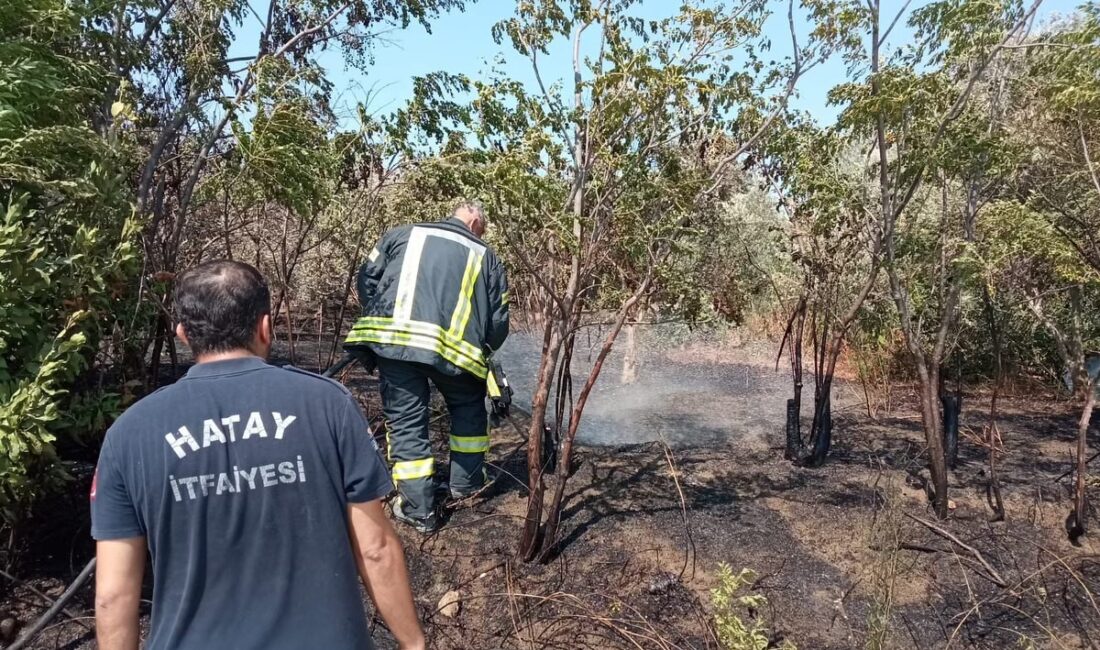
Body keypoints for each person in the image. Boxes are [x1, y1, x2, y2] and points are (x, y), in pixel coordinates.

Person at [91, 260, 425, 650]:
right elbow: (376, 549)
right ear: (266, 327)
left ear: (184, 335)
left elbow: (112, 596)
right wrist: (413, 643)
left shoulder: (129, 434)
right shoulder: (327, 405)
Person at [344, 201, 510, 533]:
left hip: (398, 349)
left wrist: (382, 320)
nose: (483, 233)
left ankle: (418, 510)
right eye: (484, 227)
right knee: (468, 414)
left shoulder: (401, 234)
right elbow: (498, 319)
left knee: (406, 423)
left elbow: (368, 278)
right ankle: (467, 486)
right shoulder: (486, 256)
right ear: (474, 219)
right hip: (457, 356)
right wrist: (484, 348)